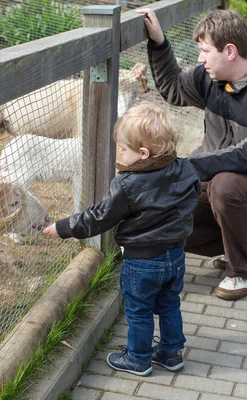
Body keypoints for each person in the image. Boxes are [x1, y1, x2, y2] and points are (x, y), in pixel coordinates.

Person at [136, 8, 247, 300]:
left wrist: (187, 166)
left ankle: (242, 270)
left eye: (205, 51)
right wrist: (159, 43)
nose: (201, 59)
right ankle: (233, 241)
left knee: (227, 185)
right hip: (220, 185)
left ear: (230, 51)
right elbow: (173, 88)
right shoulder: (211, 79)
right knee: (160, 209)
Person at [43, 103, 201, 376]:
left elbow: (99, 217)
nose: (118, 153)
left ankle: (138, 359)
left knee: (139, 310)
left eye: (123, 149)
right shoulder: (186, 169)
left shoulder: (127, 185)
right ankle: (171, 354)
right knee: (169, 305)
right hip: (175, 256)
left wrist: (65, 226)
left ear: (143, 154)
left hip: (142, 263)